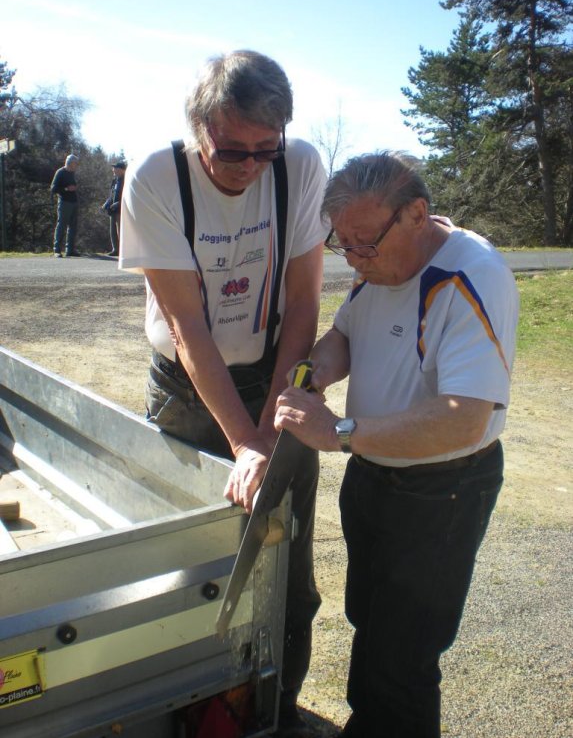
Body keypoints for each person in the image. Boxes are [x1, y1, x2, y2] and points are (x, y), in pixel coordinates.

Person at [275, 152, 520, 738]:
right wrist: (318, 373)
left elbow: (463, 420)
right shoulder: (380, 262)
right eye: (344, 247)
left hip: (442, 490)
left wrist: (337, 433)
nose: (356, 261)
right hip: (373, 476)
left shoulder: (469, 276)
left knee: (403, 657)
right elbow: (344, 333)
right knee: (368, 619)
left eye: (365, 244)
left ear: (417, 213)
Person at [119, 50, 328, 737]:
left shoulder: (298, 169)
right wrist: (244, 440)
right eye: (231, 152)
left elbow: (301, 307)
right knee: (188, 565)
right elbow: (186, 325)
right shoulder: (157, 177)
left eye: (264, 151)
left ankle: (273, 711)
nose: (248, 168)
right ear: (198, 130)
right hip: (187, 382)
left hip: (273, 370)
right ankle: (187, 714)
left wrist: (273, 430)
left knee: (284, 564)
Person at [51, 153, 80, 257]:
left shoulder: (72, 173)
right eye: (75, 163)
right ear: (70, 163)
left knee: (73, 226)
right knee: (61, 225)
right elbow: (53, 188)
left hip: (74, 202)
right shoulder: (60, 172)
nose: (76, 165)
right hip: (64, 202)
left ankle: (70, 250)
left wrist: (74, 187)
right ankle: (57, 250)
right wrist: (66, 189)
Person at [102, 160, 127, 256]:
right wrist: (107, 203)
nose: (114, 170)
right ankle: (115, 249)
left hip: (121, 209)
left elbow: (127, 196)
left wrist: (119, 203)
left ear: (122, 170)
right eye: (113, 168)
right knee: (112, 230)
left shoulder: (126, 180)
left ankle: (123, 250)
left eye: (116, 168)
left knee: (120, 230)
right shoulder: (115, 180)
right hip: (112, 209)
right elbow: (111, 193)